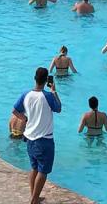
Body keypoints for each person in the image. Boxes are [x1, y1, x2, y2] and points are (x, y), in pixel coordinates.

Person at [14, 67, 61, 204]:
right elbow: (58, 108)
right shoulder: (48, 96)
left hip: (30, 138)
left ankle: (33, 196)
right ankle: (34, 200)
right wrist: (54, 91)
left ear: (35, 78)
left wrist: (26, 120)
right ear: (47, 80)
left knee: (34, 168)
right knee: (43, 171)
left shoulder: (26, 94)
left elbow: (15, 111)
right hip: (44, 140)